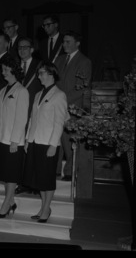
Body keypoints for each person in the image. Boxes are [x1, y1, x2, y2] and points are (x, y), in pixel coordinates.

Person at [23, 61, 69, 223]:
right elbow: (32, 119)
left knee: (47, 178)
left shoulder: (59, 95)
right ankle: (44, 207)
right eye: (39, 73)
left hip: (48, 143)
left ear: (51, 74)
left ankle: (46, 208)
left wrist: (53, 145)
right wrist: (28, 139)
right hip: (35, 141)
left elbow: (59, 122)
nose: (39, 76)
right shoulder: (37, 94)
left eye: (42, 73)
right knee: (39, 178)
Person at [0, 55, 29, 218]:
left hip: (13, 141)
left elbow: (21, 118)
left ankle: (6, 203)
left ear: (14, 70)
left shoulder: (22, 91)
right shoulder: (2, 90)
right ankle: (11, 201)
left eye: (6, 70)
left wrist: (15, 140)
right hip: (1, 138)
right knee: (6, 173)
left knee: (11, 173)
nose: (3, 73)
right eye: (2, 70)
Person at [54, 30, 92, 180]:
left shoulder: (84, 61)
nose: (64, 44)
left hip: (73, 108)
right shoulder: (59, 60)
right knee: (56, 139)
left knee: (69, 141)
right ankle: (55, 170)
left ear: (77, 43)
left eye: (68, 42)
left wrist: (61, 101)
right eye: (63, 41)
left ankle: (70, 172)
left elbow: (81, 88)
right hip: (58, 106)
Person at [15, 37, 43, 195]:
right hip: (18, 111)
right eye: (19, 47)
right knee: (20, 146)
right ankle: (23, 181)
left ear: (32, 49)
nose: (22, 50)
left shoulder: (39, 65)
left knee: (33, 147)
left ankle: (35, 183)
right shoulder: (15, 66)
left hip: (34, 110)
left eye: (25, 47)